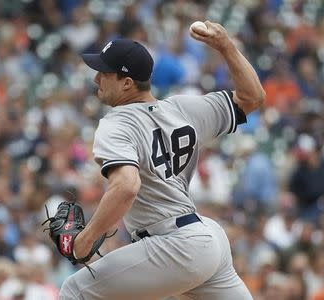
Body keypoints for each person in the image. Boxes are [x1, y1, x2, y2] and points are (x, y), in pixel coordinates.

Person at [59, 19, 265, 299]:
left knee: (75, 290)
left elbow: (127, 187)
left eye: (104, 73)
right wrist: (226, 47)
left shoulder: (116, 123)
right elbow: (252, 96)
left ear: (127, 83)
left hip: (173, 244)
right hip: (206, 238)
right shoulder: (183, 108)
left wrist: (85, 240)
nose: (97, 78)